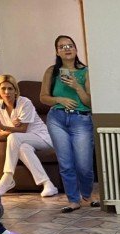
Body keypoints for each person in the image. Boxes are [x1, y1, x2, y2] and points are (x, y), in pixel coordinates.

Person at [40, 35, 95, 213]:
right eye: (62, 47)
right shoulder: (52, 71)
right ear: (57, 51)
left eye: (70, 45)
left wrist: (76, 86)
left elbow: (90, 103)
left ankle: (87, 195)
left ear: (76, 49)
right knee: (66, 163)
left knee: (84, 164)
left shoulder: (85, 72)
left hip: (81, 119)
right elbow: (43, 98)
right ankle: (73, 199)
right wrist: (59, 99)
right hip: (57, 119)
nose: (67, 49)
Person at [0, 74, 59, 198]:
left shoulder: (25, 102)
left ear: (16, 91)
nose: (7, 92)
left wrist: (6, 128)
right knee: (22, 148)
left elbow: (23, 130)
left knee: (14, 137)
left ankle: (7, 178)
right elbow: (0, 133)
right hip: (23, 140)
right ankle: (48, 184)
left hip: (43, 138)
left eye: (10, 88)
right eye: (3, 88)